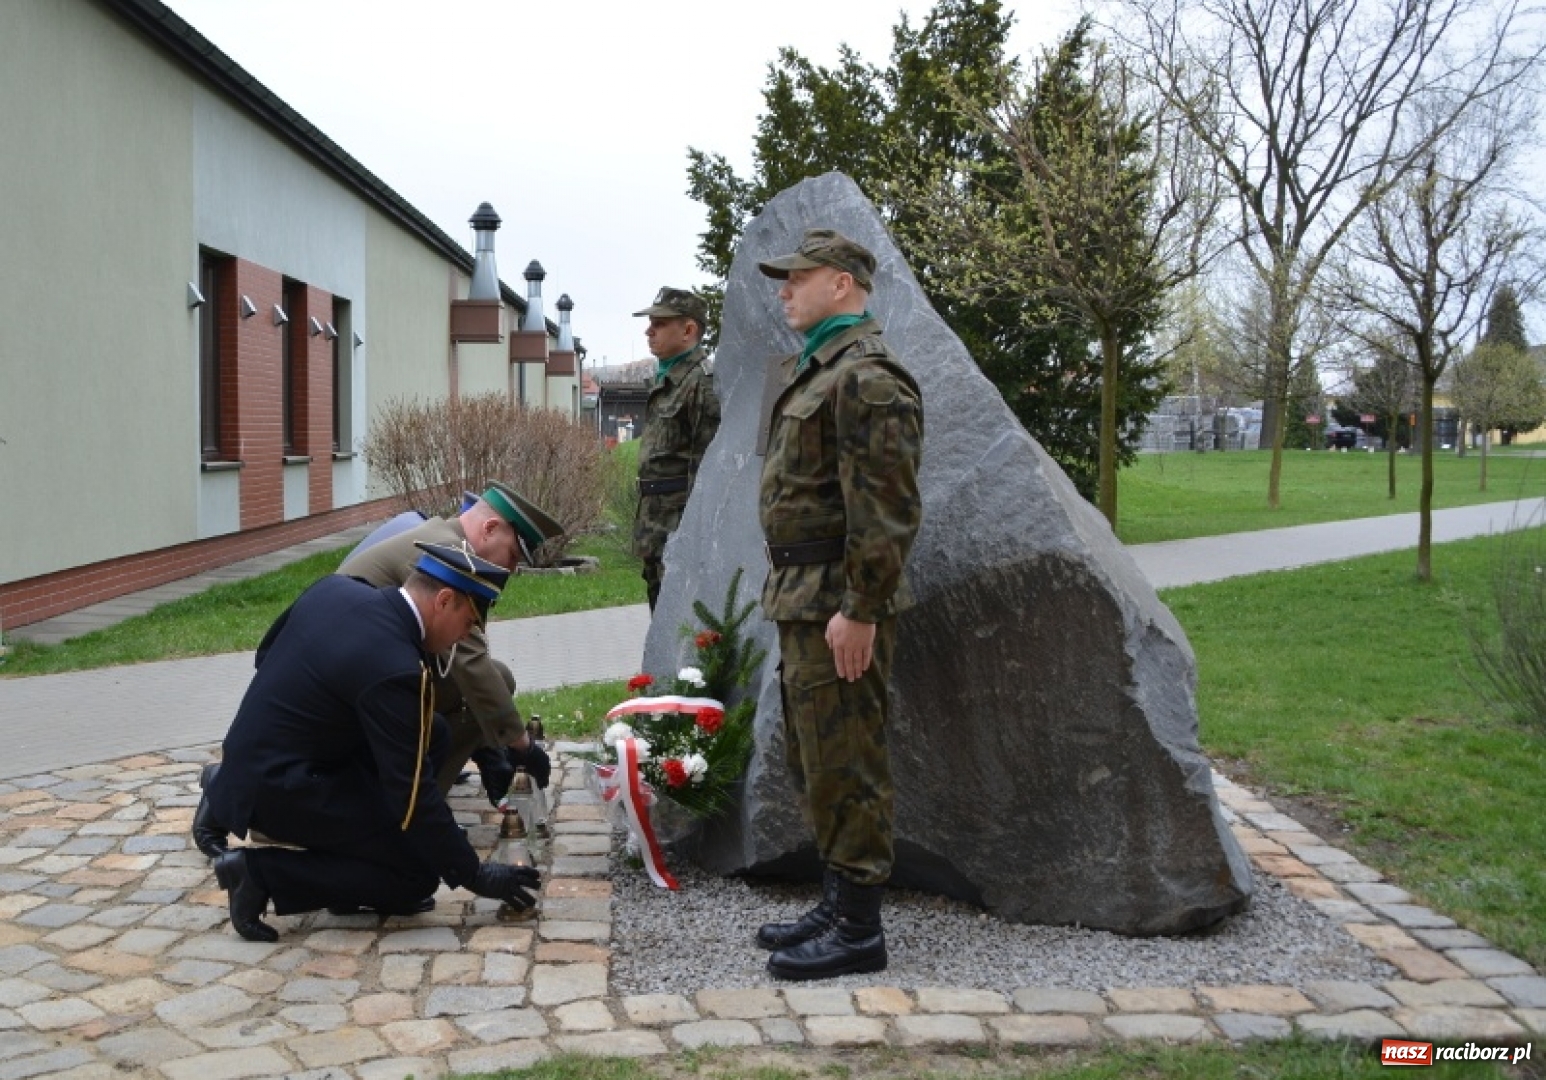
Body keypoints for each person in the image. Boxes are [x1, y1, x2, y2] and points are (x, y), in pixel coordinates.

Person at [191, 483, 561, 861]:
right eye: (514, 555)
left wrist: (491, 747)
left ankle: (414, 806)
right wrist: (520, 747)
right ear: (489, 529)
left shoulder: (444, 538)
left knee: (497, 681)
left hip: (362, 671)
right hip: (344, 689)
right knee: (466, 704)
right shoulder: (450, 553)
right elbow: (469, 665)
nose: (513, 568)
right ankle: (406, 819)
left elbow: (466, 661)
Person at [202, 542, 542, 941]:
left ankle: (348, 871)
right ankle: (256, 875)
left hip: (269, 754)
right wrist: (475, 874)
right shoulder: (394, 668)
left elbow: (266, 653)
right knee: (414, 875)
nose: (462, 637)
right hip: (281, 786)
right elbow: (410, 793)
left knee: (434, 733)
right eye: (468, 622)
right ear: (444, 600)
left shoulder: (337, 589)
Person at [753, 229, 924, 981]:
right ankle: (836, 897)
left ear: (844, 284)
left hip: (837, 602)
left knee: (848, 760)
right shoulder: (820, 369)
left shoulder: (868, 378)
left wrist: (863, 608)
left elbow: (886, 511)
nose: (784, 289)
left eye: (798, 276)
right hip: (802, 595)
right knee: (814, 757)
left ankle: (859, 929)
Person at [631, 287, 721, 611]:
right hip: (655, 527)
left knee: (680, 624)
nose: (648, 330)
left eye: (659, 323)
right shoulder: (666, 381)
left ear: (688, 330)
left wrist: (694, 535)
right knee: (660, 622)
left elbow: (708, 468)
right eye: (650, 322)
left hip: (680, 526)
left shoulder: (702, 382)